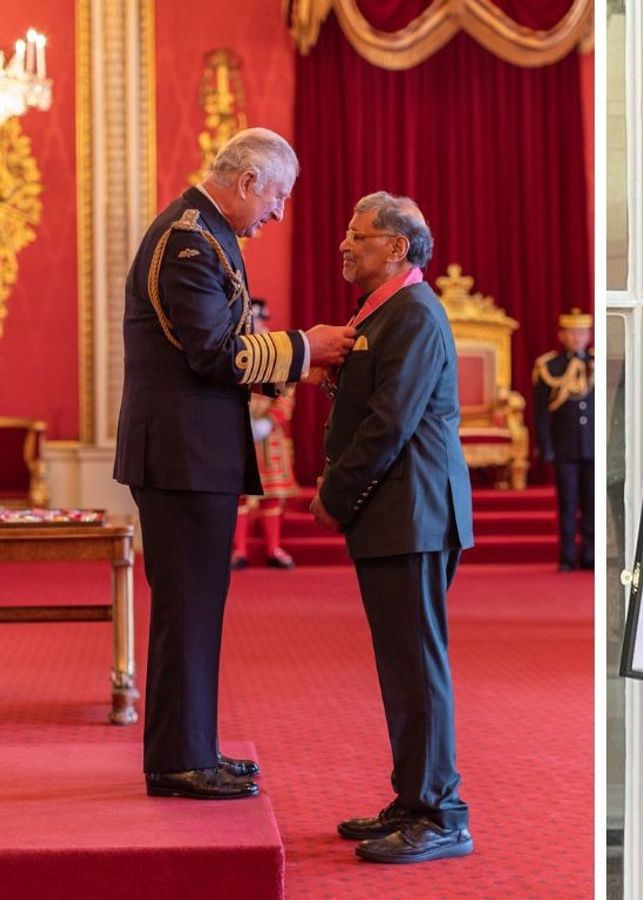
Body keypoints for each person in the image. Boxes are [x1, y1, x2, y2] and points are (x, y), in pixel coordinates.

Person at [114, 127, 356, 800]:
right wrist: (305, 351)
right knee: (188, 608)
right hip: (181, 457)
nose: (278, 212)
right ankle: (178, 762)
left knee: (195, 606)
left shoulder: (207, 235)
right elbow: (216, 351)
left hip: (193, 454)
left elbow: (230, 344)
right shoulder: (189, 241)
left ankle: (189, 749)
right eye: (277, 196)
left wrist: (298, 364)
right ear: (248, 182)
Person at [310, 192, 474, 864]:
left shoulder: (412, 311)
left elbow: (391, 421)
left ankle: (440, 814)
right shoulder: (388, 310)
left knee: (416, 666)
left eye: (359, 236)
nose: (345, 245)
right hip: (400, 512)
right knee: (404, 666)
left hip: (413, 512)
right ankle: (412, 800)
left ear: (397, 248)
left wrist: (333, 494)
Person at [231, 299, 299, 570]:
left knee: (272, 496)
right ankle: (239, 550)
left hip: (268, 434)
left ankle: (273, 548)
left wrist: (270, 422)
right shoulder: (233, 352)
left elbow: (286, 394)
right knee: (239, 495)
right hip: (239, 434)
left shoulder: (277, 355)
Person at [532, 309, 595, 570]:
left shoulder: (596, 364)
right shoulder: (550, 367)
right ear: (562, 335)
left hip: (593, 448)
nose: (576, 337)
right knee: (567, 505)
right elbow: (541, 413)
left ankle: (590, 555)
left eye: (581, 332)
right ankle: (567, 556)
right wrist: (546, 447)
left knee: (592, 505)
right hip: (565, 448)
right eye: (571, 332)